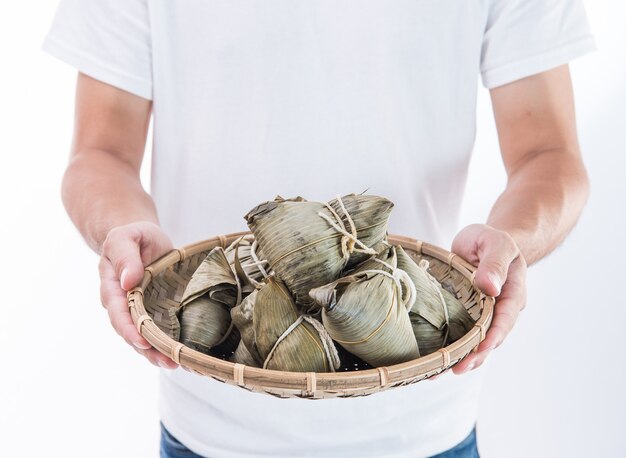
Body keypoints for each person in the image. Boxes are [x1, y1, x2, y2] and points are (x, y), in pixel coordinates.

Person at [44, 1, 594, 456]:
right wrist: (122, 230)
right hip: (210, 422)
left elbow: (549, 154)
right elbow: (101, 152)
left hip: (423, 416)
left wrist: (513, 240)